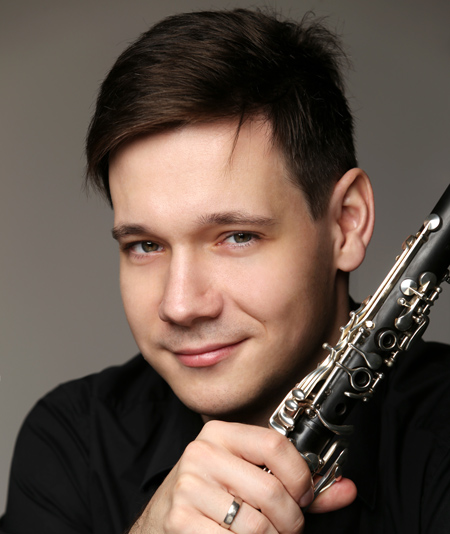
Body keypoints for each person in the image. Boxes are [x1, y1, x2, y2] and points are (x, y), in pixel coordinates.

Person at [1, 8, 450, 534]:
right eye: (146, 245)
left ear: (346, 224)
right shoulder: (71, 442)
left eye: (237, 236)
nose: (180, 305)